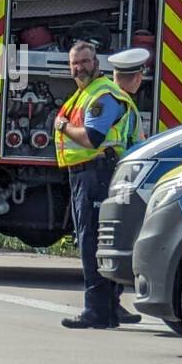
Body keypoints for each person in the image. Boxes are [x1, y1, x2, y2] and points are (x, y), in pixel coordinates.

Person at [55, 40, 140, 329]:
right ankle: (110, 308)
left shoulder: (101, 95)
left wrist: (63, 126)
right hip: (92, 174)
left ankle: (97, 311)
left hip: (96, 174)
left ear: (97, 63)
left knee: (92, 242)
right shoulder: (86, 94)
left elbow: (92, 138)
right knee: (101, 241)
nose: (79, 67)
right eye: (74, 63)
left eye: (85, 61)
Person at [108, 47, 151, 325]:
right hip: (121, 179)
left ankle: (112, 302)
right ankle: (111, 303)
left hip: (113, 176)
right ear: (135, 77)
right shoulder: (121, 103)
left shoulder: (112, 99)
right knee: (119, 241)